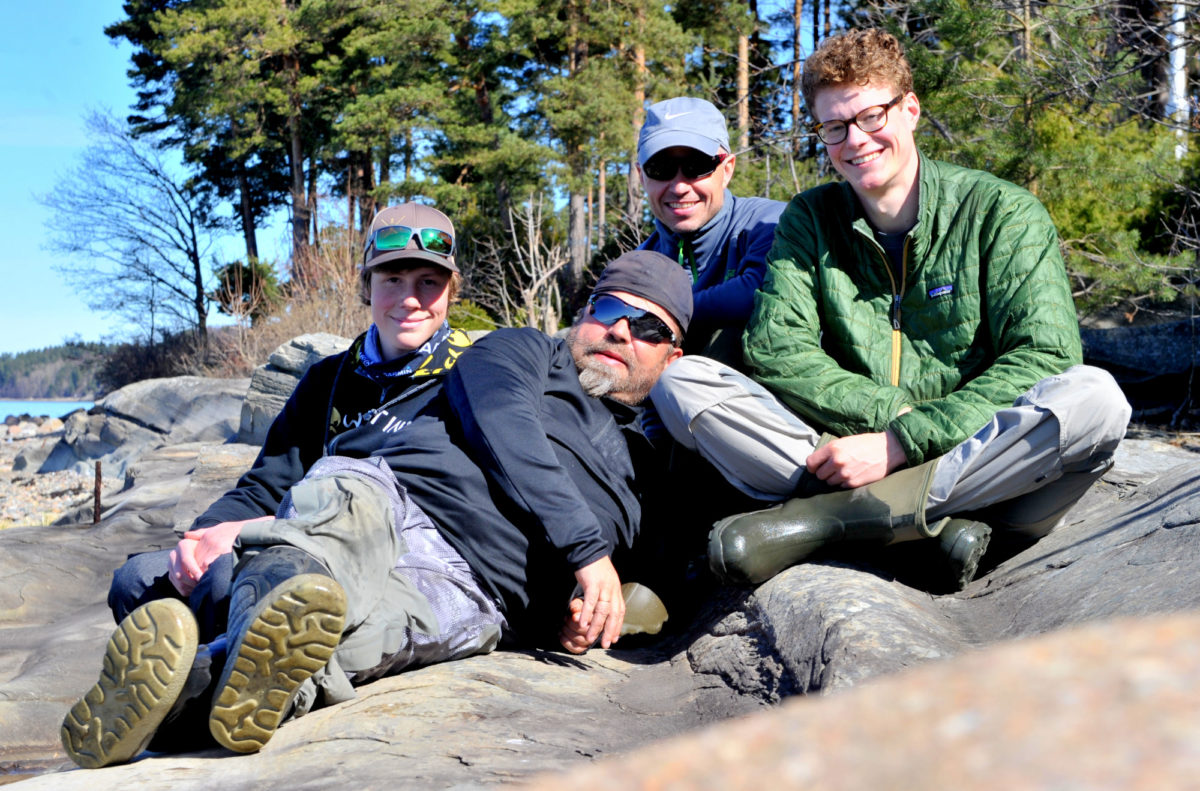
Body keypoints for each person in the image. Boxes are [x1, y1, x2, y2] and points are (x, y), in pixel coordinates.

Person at [60, 203, 691, 769]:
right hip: (390, 503)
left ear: (674, 358)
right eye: (610, 311)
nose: (621, 333)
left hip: (479, 591)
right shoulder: (518, 351)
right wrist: (205, 535)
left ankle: (179, 702)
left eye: (650, 329)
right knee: (184, 570)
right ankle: (246, 605)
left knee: (349, 645)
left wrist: (574, 616)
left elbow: (658, 572)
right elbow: (496, 419)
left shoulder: (660, 460)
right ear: (584, 315)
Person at [649, 28, 1131, 591]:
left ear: (910, 109)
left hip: (980, 455)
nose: (855, 140)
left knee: (1095, 399)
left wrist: (903, 443)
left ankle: (831, 522)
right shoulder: (811, 219)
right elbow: (777, 351)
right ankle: (918, 529)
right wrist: (888, 423)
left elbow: (1043, 355)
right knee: (680, 379)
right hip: (849, 454)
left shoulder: (1001, 212)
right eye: (835, 127)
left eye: (872, 117)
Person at [636, 97, 785, 365]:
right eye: (661, 169)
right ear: (641, 176)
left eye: (697, 166)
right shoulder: (639, 262)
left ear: (727, 169)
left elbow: (759, 291)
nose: (679, 186)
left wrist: (654, 313)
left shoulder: (767, 222)